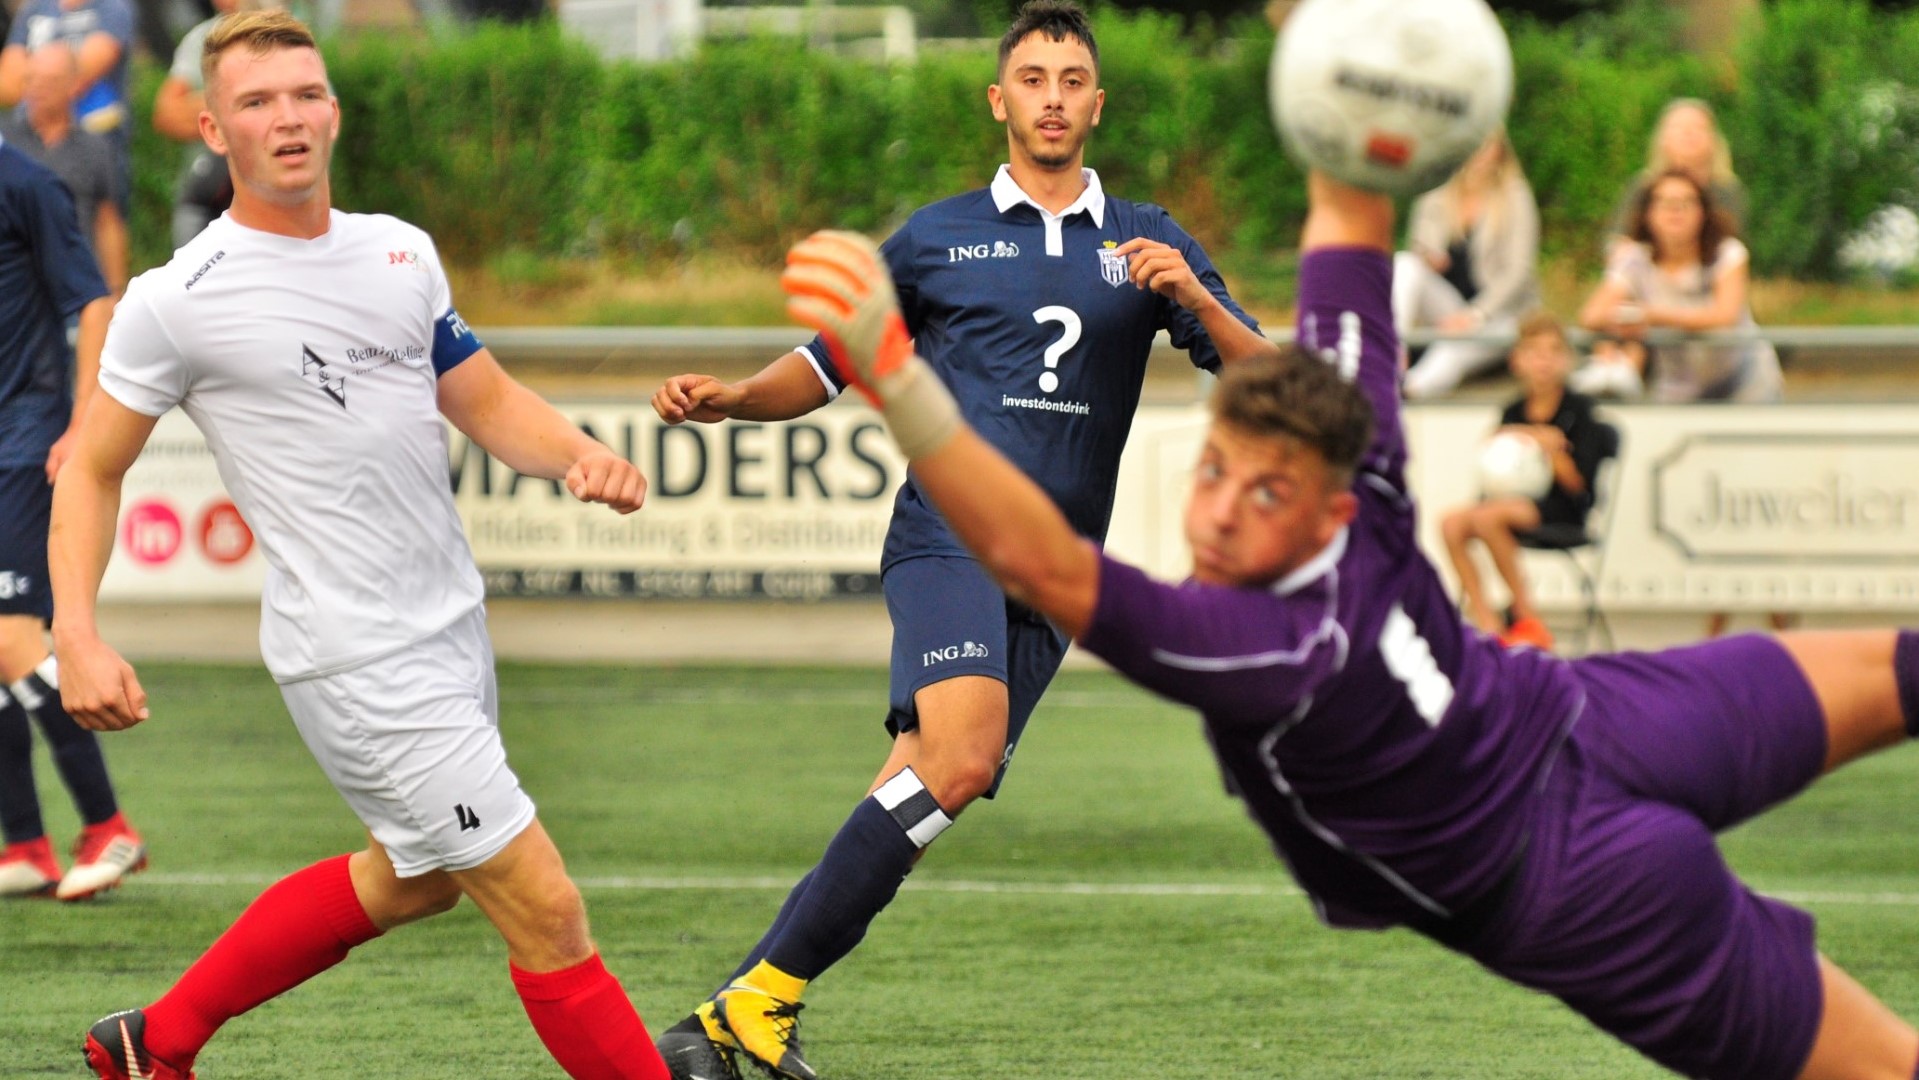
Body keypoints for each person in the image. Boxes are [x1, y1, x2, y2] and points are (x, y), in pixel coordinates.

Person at [789, 165, 1919, 1080]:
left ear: (1329, 501)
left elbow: (1033, 553)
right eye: (1213, 470)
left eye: (1262, 493)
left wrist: (896, 375)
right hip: (1586, 828)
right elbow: (1348, 197)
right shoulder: (1358, 442)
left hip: (1578, 835)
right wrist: (1370, 96)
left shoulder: (1258, 647)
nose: (1222, 512)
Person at [647, 4, 1277, 1077]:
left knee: (936, 780)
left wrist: (1191, 299)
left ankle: (734, 1013)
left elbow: (1274, 383)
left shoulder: (1148, 239)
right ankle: (751, 1002)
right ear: (999, 100)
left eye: (1070, 78)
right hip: (946, 536)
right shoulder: (934, 236)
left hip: (1058, 568)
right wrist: (736, 399)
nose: (1050, 96)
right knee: (964, 751)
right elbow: (827, 361)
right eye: (1030, 77)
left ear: (1095, 102)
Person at [49, 12, 669, 1079]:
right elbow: (94, 469)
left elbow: (482, 398)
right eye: (256, 102)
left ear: (333, 109)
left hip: (448, 626)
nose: (286, 119)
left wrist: (576, 455)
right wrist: (79, 634)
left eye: (304, 94)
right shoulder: (175, 300)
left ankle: (156, 1041)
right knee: (545, 909)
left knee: (417, 878)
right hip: (355, 654)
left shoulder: (399, 251)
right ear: (211, 126)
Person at [0, 89, 140, 903]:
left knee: (15, 642)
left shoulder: (27, 182)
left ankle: (109, 827)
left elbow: (92, 296)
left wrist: (83, 416)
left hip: (23, 440)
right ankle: (25, 841)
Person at [1438, 312, 1605, 652]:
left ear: (1567, 360)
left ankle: (1527, 615)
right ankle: (1486, 618)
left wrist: (1552, 449)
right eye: (1534, 352)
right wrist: (1524, 434)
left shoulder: (1581, 411)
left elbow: (1578, 486)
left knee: (1488, 517)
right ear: (1517, 361)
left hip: (1562, 508)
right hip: (1506, 502)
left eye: (1553, 351)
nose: (1543, 361)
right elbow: (1494, 457)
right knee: (1451, 523)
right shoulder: (1513, 410)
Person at [1575, 168, 1782, 403]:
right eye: (1664, 202)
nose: (1675, 211)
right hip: (1680, 384)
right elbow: (1591, 315)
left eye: (1686, 202)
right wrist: (1626, 320)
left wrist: (1653, 316)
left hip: (1743, 380)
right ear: (1647, 213)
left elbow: (1725, 316)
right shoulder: (1636, 259)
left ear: (1703, 212)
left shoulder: (1727, 253)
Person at [1394, 128, 1541, 399]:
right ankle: (1392, 346)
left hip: (1498, 315)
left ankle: (1411, 388)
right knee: (1404, 265)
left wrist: (1475, 315)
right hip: (1448, 307)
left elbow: (1519, 272)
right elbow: (1417, 245)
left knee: (1455, 347)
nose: (1479, 155)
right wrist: (1429, 256)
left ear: (1500, 151)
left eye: (1487, 146)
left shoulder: (1515, 196)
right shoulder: (1437, 190)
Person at [0, 39, 126, 292]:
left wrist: (115, 291)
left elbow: (108, 221)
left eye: (50, 81)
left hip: (75, 289)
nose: (37, 89)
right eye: (31, 79)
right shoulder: (5, 139)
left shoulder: (96, 148)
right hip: (12, 291)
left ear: (74, 85)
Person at [0, 0, 136, 219]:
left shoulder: (112, 8)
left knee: (92, 229)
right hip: (30, 141)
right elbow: (6, 84)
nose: (39, 84)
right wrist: (52, 75)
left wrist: (34, 74)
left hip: (94, 145)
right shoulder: (35, 9)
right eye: (34, 77)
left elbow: (82, 73)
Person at [152, 0, 245, 250]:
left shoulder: (288, 34)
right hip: (203, 194)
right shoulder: (203, 38)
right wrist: (238, 102)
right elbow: (166, 114)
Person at [1605, 98, 1747, 252]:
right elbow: (1615, 238)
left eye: (1699, 127)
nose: (1689, 134)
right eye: (1679, 127)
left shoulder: (1726, 188)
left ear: (1713, 140)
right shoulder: (1645, 185)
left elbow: (1733, 244)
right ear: (1663, 139)